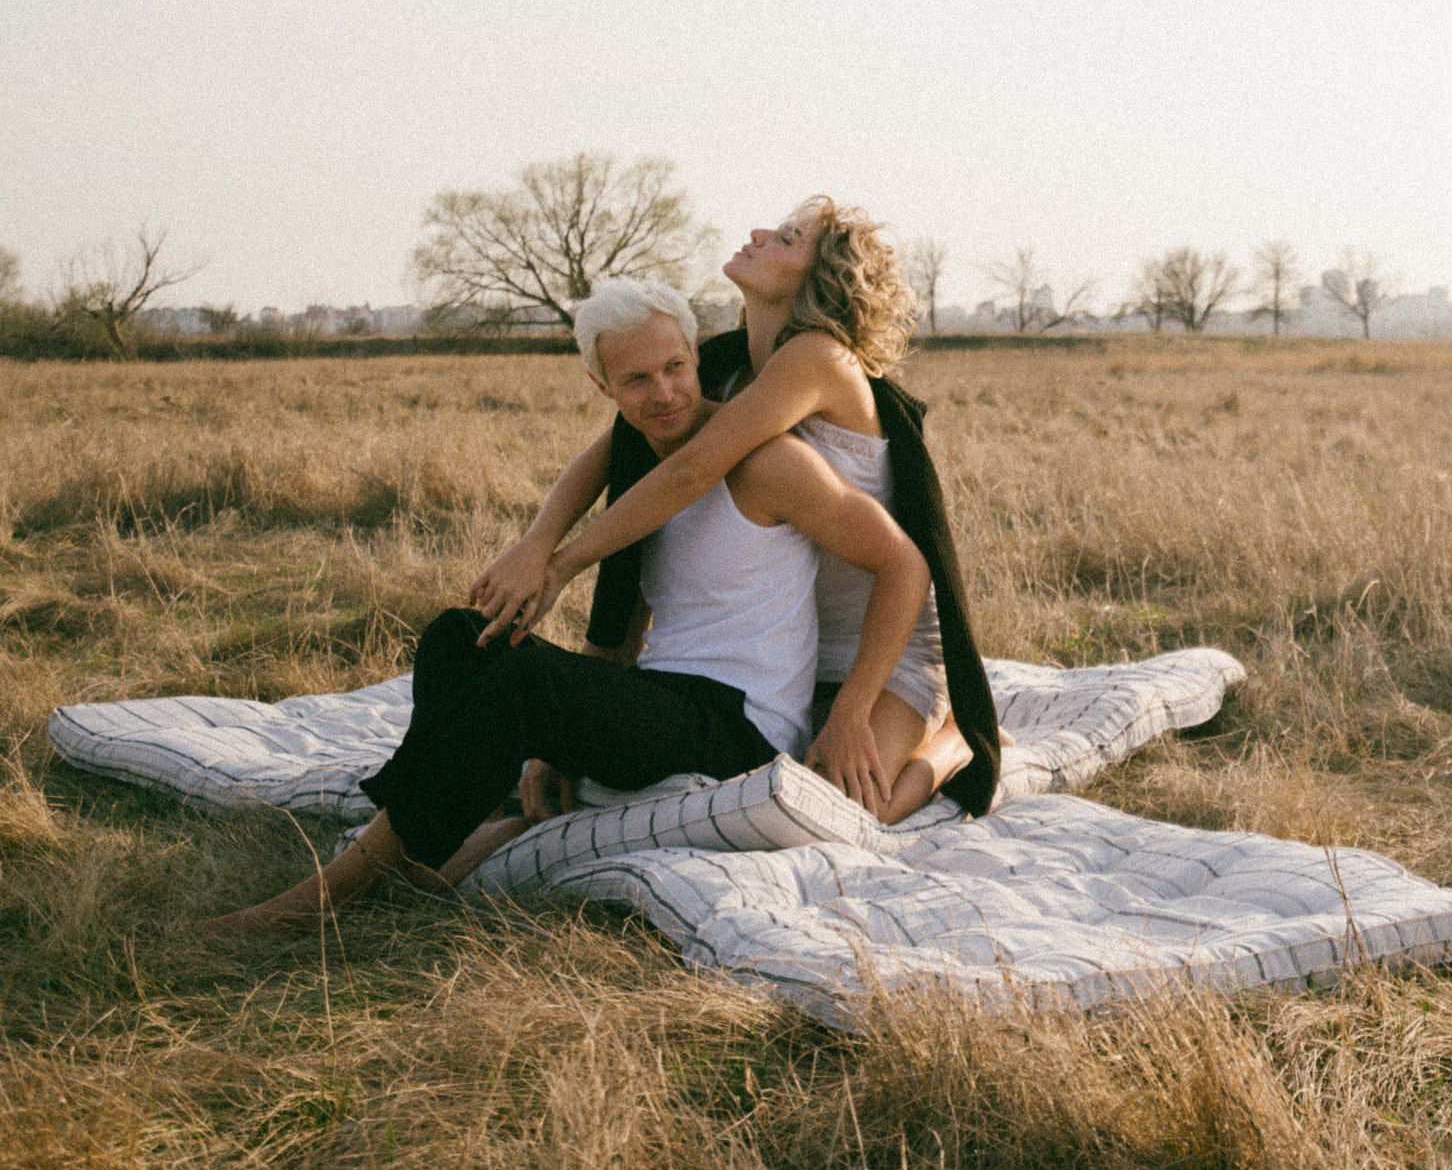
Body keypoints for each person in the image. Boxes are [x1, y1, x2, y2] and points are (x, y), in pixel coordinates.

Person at [206, 281, 931, 931]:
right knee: (463, 636)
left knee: (527, 686)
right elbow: (613, 630)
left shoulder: (770, 461)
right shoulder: (635, 464)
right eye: (638, 379)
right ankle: (443, 823)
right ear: (601, 382)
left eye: (677, 367)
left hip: (740, 723)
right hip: (660, 694)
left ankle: (337, 890)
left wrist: (849, 710)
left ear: (693, 355)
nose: (665, 393)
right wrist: (556, 729)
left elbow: (905, 563)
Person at [470, 198, 1005, 815]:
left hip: (883, 646)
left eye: (784, 238)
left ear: (820, 276)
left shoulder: (818, 357)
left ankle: (955, 742)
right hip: (786, 654)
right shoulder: (729, 368)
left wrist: (559, 566)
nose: (756, 234)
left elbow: (691, 470)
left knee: (850, 807)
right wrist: (535, 543)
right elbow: (611, 451)